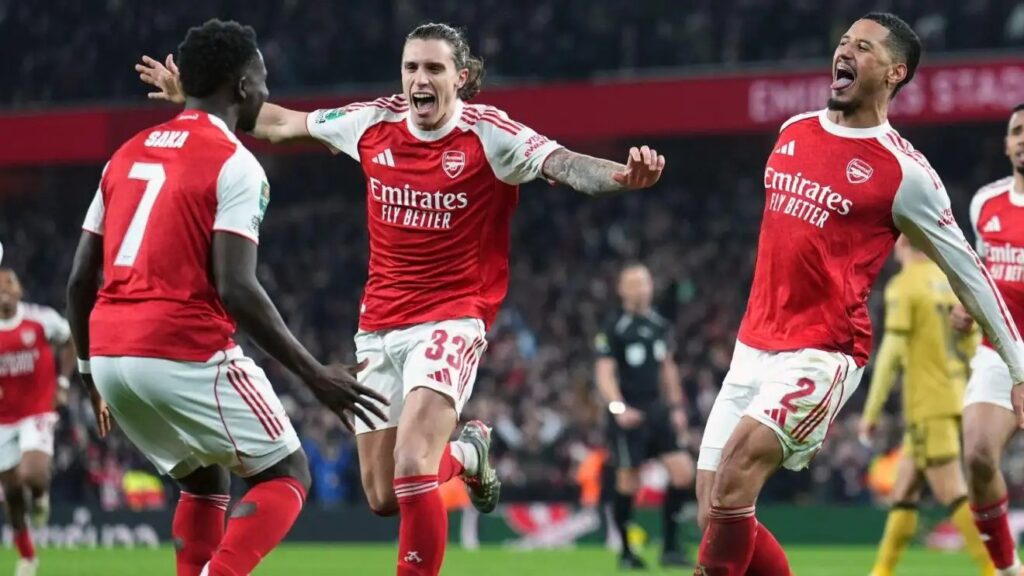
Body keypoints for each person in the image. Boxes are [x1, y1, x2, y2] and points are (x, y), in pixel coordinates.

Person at [138, 22, 666, 576]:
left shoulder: (490, 134)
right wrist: (197, 100)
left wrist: (621, 177)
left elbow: (566, 165)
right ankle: (468, 453)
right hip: (379, 324)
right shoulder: (373, 122)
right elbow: (280, 123)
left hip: (453, 318)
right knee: (384, 494)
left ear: (461, 78)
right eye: (411, 67)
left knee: (413, 463)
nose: (420, 79)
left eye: (434, 68)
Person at [693, 13, 1024, 576]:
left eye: (864, 47)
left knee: (735, 475)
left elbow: (970, 273)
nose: (845, 51)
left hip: (822, 352)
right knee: (714, 512)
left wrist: (1018, 369)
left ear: (895, 72)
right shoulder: (794, 129)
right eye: (844, 42)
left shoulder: (905, 172)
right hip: (753, 346)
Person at [67, 19, 386, 576]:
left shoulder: (124, 155)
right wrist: (315, 375)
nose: (266, 89)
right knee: (288, 473)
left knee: (205, 478)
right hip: (180, 348)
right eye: (261, 79)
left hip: (112, 357)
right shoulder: (236, 164)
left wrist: (90, 373)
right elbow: (237, 287)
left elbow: (78, 280)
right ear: (241, 86)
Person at [859, 236, 993, 576]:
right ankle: (881, 572)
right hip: (953, 395)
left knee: (952, 490)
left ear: (900, 243)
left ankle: (997, 568)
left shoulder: (905, 286)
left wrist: (871, 411)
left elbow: (891, 352)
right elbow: (973, 343)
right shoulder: (951, 284)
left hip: (927, 402)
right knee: (904, 491)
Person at [594, 263, 695, 569]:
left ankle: (671, 547)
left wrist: (676, 408)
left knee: (683, 472)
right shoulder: (614, 327)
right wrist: (618, 408)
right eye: (634, 283)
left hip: (657, 411)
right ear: (622, 289)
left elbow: (667, 368)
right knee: (629, 481)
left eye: (645, 282)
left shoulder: (658, 324)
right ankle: (626, 552)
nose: (641, 288)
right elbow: (604, 373)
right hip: (629, 413)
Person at [960, 102, 1024, 576]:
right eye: (1018, 131)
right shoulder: (985, 203)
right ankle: (1007, 569)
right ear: (1006, 144)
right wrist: (967, 305)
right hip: (1000, 350)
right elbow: (981, 273)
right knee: (979, 454)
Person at [0, 267, 76, 576]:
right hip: (3, 419)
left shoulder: (41, 319)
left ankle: (41, 494)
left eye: (9, 283)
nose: (4, 288)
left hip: (38, 411)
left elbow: (70, 340)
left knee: (31, 474)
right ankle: (27, 557)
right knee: (12, 493)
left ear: (20, 290)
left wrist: (63, 383)